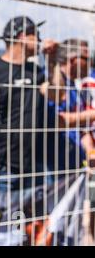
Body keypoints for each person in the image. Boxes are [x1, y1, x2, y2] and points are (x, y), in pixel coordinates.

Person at [0, 16, 47, 193]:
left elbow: (55, 93)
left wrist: (51, 61)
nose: (40, 40)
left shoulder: (36, 72)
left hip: (33, 164)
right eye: (36, 35)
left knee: (32, 219)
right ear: (22, 36)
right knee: (2, 219)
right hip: (1, 164)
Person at [41, 39, 91, 172]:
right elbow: (58, 120)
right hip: (55, 165)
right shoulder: (50, 81)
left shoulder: (73, 86)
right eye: (87, 58)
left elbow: (81, 128)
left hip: (73, 162)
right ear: (74, 59)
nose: (90, 63)